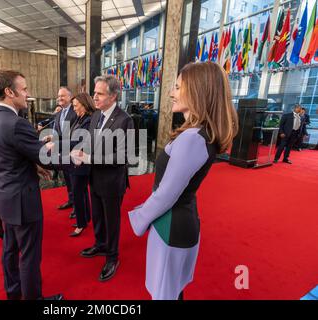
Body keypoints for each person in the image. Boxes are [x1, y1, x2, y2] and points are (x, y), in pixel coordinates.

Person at [128, 62, 238, 300]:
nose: (171, 93)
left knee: (165, 295)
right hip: (177, 223)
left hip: (171, 226)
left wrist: (138, 217)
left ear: (197, 90)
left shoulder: (193, 138)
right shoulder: (198, 134)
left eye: (177, 87)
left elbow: (166, 194)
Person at [0, 70, 62, 301]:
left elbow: (2, 156)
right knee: (29, 256)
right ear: (9, 92)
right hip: (24, 202)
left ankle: (13, 294)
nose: (27, 94)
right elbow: (47, 158)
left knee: (9, 250)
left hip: (4, 197)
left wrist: (32, 166)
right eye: (24, 89)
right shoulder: (17, 124)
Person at [72, 75, 134, 282]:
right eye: (94, 92)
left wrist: (90, 157)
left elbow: (125, 156)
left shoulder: (125, 119)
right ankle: (100, 245)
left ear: (113, 96)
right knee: (97, 216)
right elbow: (90, 142)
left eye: (99, 93)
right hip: (94, 177)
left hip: (112, 181)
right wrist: (82, 151)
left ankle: (112, 257)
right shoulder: (97, 115)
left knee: (112, 221)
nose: (94, 97)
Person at [67, 93, 95, 237]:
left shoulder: (88, 120)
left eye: (75, 105)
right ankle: (85, 218)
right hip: (77, 160)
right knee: (82, 192)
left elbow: (78, 142)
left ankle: (81, 223)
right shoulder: (80, 118)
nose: (74, 108)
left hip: (81, 162)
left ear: (84, 105)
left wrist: (58, 145)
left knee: (78, 193)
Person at [53, 87, 77, 215]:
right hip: (63, 152)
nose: (60, 98)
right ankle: (71, 201)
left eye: (62, 96)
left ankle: (77, 207)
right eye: (58, 96)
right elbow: (57, 132)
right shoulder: (59, 113)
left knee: (75, 181)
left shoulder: (76, 111)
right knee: (67, 178)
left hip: (74, 152)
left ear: (70, 97)